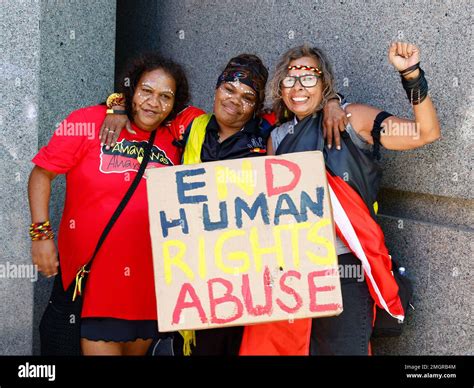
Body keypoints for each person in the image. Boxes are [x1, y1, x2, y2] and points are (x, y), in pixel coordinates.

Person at [100, 53, 348, 355]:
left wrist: (333, 100)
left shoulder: (267, 130)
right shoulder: (190, 124)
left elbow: (304, 101)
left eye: (247, 96)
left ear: (257, 106)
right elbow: (151, 104)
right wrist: (117, 105)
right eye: (229, 89)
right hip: (197, 279)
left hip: (249, 281)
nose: (234, 100)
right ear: (217, 89)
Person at [239, 41, 441, 355]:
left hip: (345, 268)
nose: (298, 87)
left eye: (309, 78)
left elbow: (425, 132)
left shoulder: (352, 119)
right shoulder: (277, 138)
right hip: (293, 272)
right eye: (290, 79)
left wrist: (411, 74)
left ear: (324, 83)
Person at [28, 53, 204, 355]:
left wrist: (118, 104)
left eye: (165, 97)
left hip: (147, 290)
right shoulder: (88, 122)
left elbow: (221, 116)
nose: (153, 102)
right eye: (146, 91)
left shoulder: (175, 136)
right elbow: (41, 175)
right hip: (95, 285)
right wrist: (41, 236)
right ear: (131, 89)